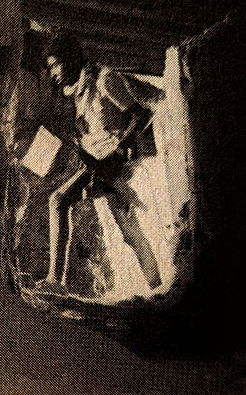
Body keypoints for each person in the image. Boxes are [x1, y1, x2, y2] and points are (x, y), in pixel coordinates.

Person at [36, 32, 163, 294]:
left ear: (70, 60)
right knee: (127, 230)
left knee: (61, 202)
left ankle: (55, 281)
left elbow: (141, 115)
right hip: (97, 166)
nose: (53, 74)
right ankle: (157, 286)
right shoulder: (74, 95)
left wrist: (118, 150)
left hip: (115, 166)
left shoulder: (105, 80)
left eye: (55, 65)